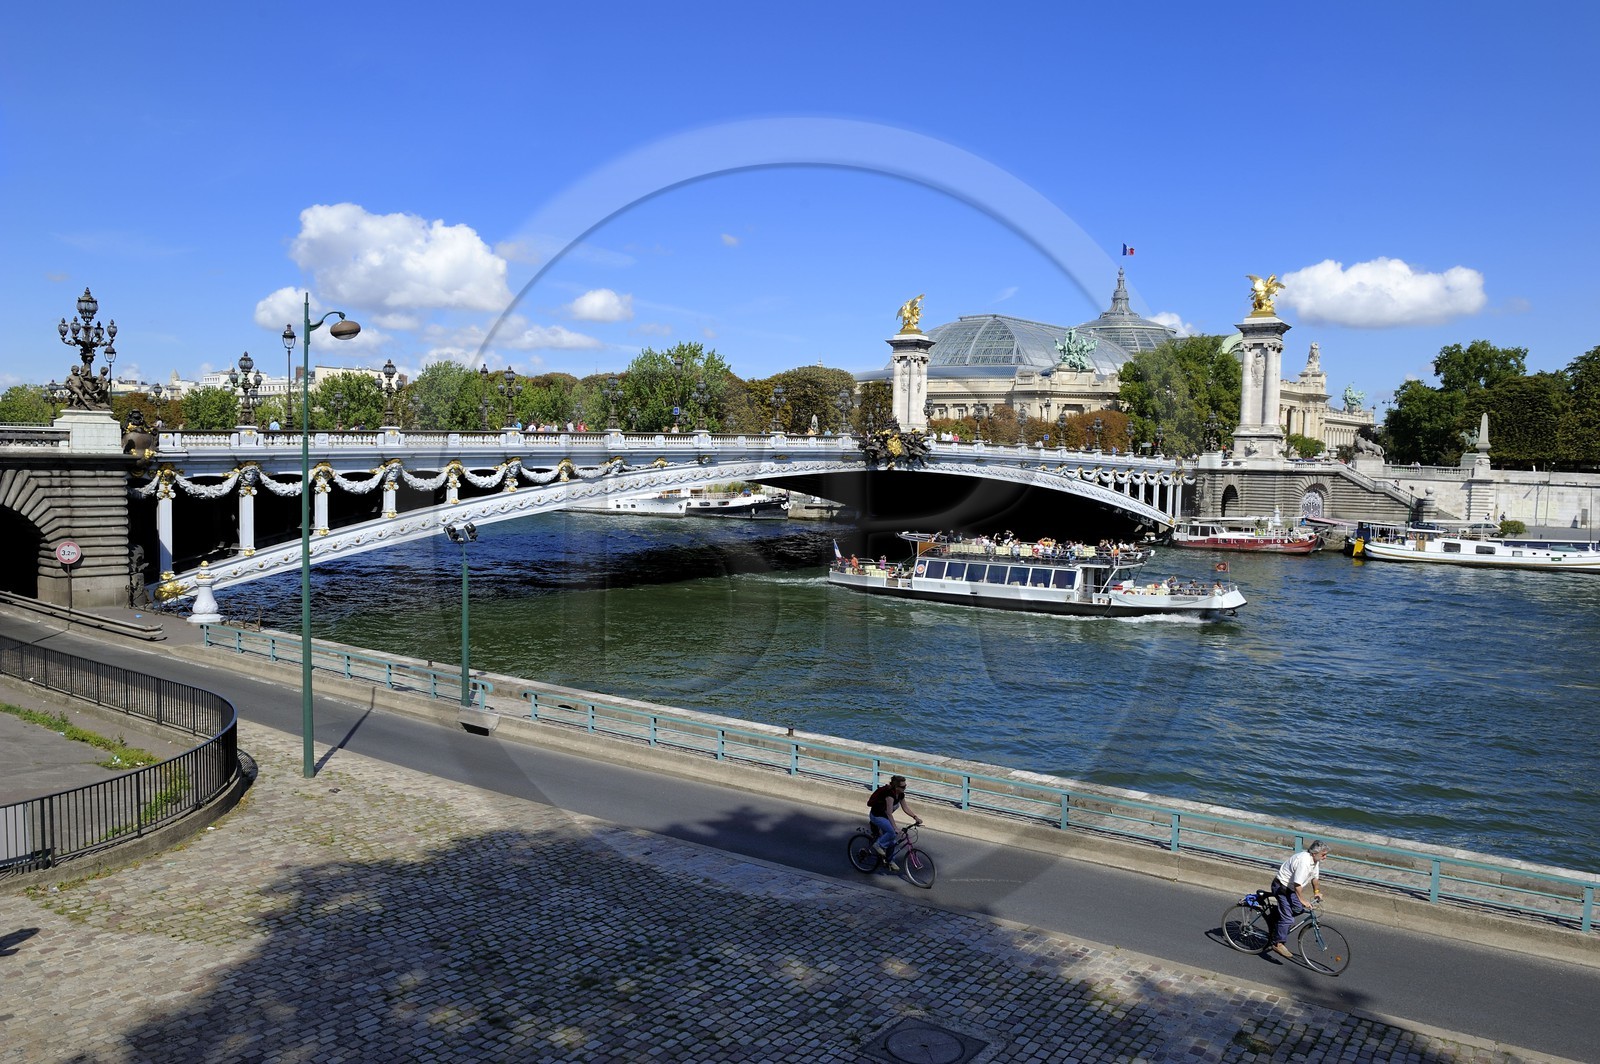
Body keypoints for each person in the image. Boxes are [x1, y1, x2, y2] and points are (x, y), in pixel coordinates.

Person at [1266, 840, 1330, 958]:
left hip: (1290, 889)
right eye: (1323, 855)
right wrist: (1302, 900)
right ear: (1314, 853)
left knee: (1298, 909)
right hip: (1281, 887)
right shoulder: (1304, 862)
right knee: (1288, 919)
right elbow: (1297, 885)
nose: (1325, 857)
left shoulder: (1315, 861)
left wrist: (1317, 892)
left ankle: (1274, 916)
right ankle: (1277, 943)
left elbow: (1315, 879)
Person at [867, 775, 922, 871]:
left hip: (884, 816)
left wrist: (915, 817)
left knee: (892, 841)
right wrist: (895, 828)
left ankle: (889, 861)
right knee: (892, 832)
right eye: (903, 787)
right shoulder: (890, 795)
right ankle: (878, 845)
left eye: (905, 786)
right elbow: (889, 813)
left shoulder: (900, 794)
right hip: (876, 816)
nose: (905, 788)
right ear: (896, 787)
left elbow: (905, 808)